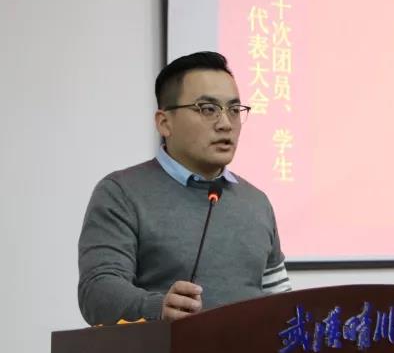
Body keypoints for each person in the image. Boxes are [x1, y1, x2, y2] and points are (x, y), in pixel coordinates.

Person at [78, 52, 291, 325]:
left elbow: (280, 300)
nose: (225, 124)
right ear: (164, 122)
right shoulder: (121, 193)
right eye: (208, 109)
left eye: (234, 110)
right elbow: (97, 293)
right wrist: (157, 307)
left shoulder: (256, 202)